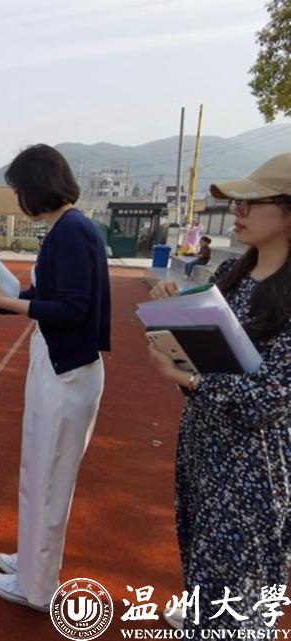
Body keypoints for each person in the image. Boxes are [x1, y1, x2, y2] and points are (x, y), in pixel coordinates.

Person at [147, 154, 291, 632]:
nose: (238, 211)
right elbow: (207, 357)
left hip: (253, 468)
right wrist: (174, 319)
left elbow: (269, 398)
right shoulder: (231, 276)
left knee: (242, 601)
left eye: (252, 202)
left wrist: (192, 379)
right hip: (204, 449)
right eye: (237, 202)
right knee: (203, 569)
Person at [0, 144, 110, 610]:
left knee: (49, 478)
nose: (19, 200)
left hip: (66, 372)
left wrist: (7, 302)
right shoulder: (66, 229)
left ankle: (37, 587)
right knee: (39, 471)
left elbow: (71, 308)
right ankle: (33, 561)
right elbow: (42, 295)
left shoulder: (71, 231)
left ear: (36, 188)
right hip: (58, 366)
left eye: (20, 190)